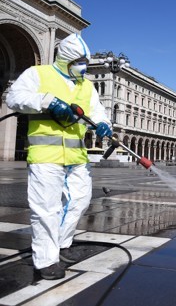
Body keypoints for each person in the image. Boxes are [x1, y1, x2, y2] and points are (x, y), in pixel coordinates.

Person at [6, 33, 112, 280]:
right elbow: (14, 98)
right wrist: (46, 101)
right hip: (46, 154)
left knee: (80, 200)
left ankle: (61, 243)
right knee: (46, 208)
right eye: (80, 60)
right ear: (66, 59)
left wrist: (104, 124)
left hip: (76, 155)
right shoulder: (38, 74)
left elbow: (98, 112)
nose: (84, 65)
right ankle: (46, 260)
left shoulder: (86, 85)